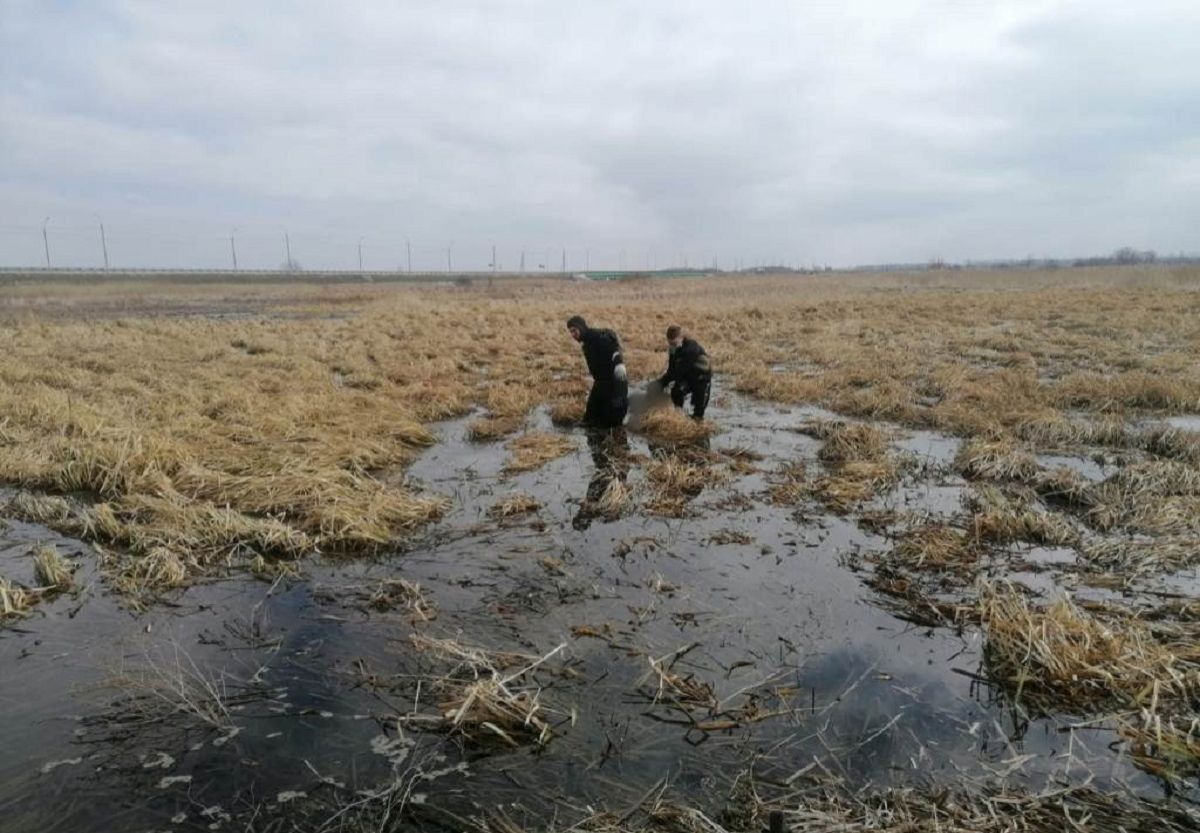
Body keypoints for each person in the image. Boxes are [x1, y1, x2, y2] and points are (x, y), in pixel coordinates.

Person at [566, 315, 629, 428]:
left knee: (612, 423)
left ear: (581, 327)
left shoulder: (597, 336)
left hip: (616, 383)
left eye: (574, 331)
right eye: (571, 332)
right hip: (601, 383)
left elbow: (614, 347)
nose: (573, 335)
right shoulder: (586, 343)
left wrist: (619, 363)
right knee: (590, 418)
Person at [659, 325, 712, 420]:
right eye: (670, 343)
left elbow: (679, 371)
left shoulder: (691, 348)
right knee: (676, 391)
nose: (672, 346)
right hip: (688, 377)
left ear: (681, 338)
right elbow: (671, 369)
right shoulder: (673, 350)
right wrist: (660, 383)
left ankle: (697, 421)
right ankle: (678, 414)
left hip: (701, 379)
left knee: (698, 413)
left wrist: (663, 382)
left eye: (674, 343)